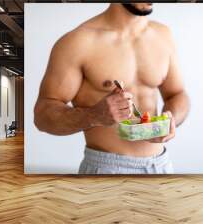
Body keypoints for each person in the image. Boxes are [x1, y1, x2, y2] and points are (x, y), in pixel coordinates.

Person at [34, 3, 190, 174]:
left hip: (160, 165)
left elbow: (177, 94)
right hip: (106, 168)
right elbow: (42, 116)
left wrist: (170, 120)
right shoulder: (77, 42)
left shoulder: (163, 34)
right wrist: (93, 115)